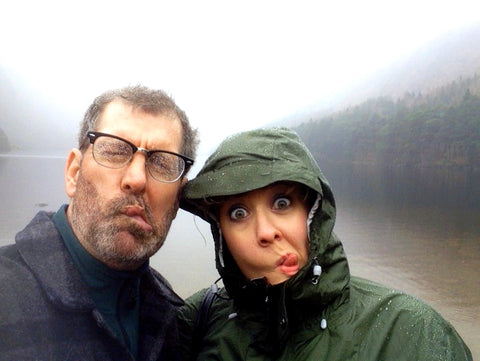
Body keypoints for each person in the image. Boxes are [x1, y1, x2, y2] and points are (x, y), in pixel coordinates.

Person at [178, 127, 472, 360]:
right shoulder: (196, 322)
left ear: (313, 213)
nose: (266, 232)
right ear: (221, 233)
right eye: (238, 213)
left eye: (282, 203)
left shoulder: (410, 333)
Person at [0, 85, 198, 360]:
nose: (137, 179)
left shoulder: (176, 318)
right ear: (74, 173)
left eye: (162, 163)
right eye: (116, 150)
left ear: (177, 200)